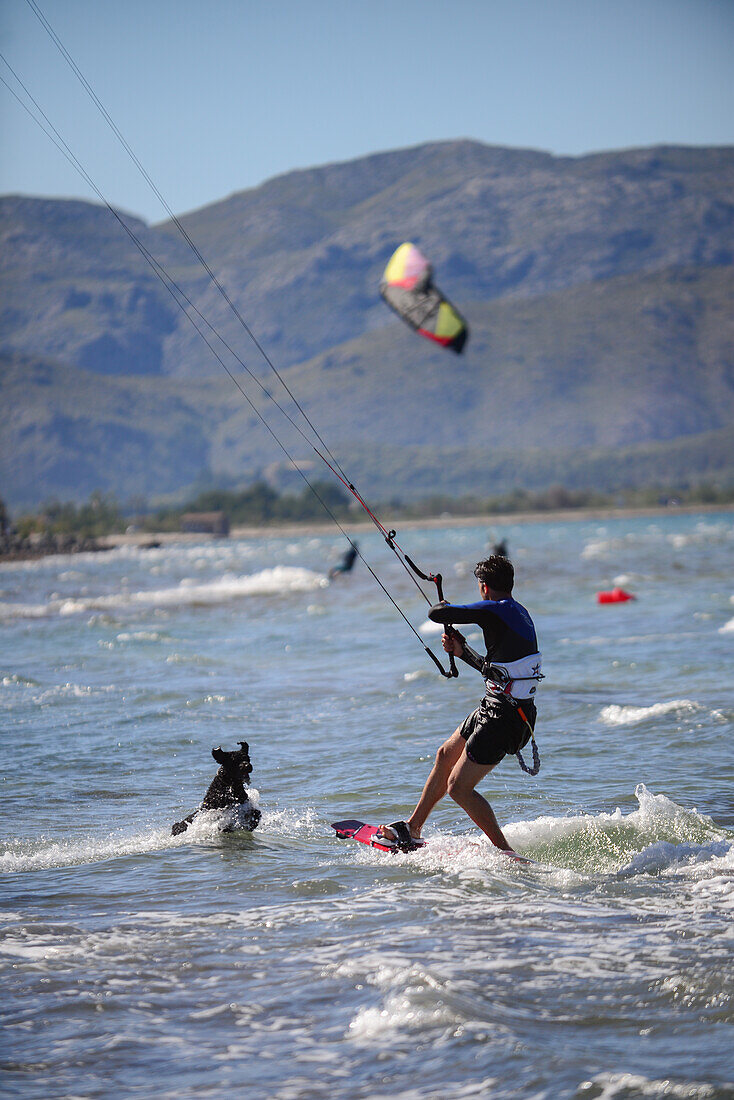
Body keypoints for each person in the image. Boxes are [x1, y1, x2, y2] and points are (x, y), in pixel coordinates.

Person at [378, 554, 542, 855]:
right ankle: (412, 828)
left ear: (484, 587)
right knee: (445, 754)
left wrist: (438, 591)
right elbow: (499, 672)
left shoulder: (496, 609)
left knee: (458, 787)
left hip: (506, 717)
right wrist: (462, 650)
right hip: (498, 706)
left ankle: (508, 855)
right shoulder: (517, 612)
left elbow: (437, 613)